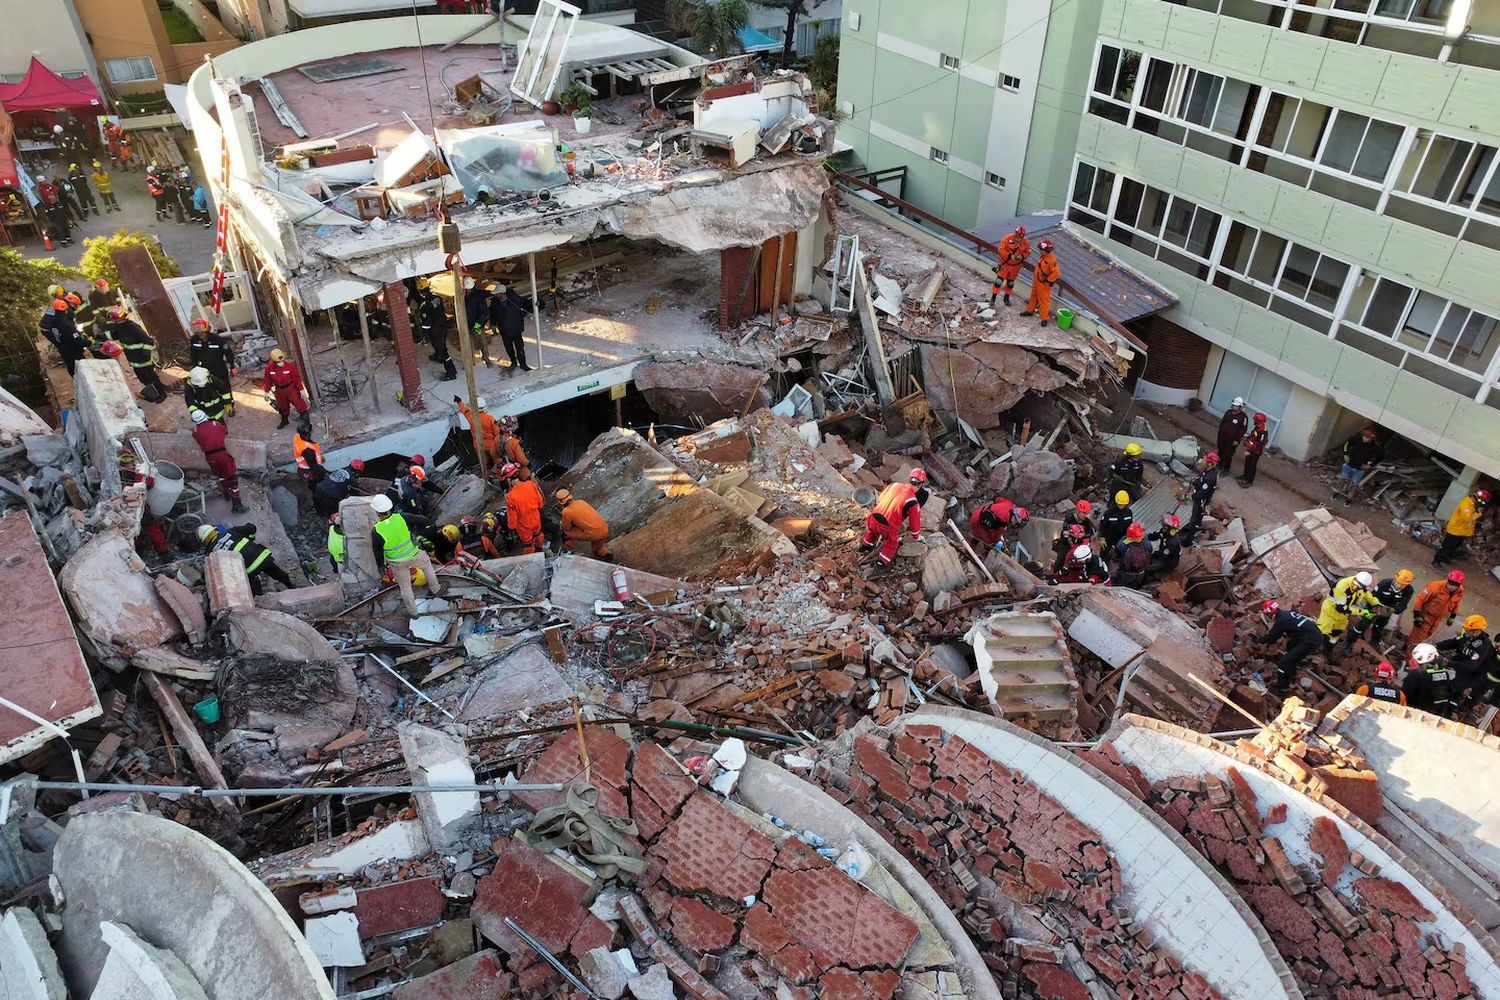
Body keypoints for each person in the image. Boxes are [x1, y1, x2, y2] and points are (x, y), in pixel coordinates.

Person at [369, 494, 444, 615]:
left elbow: (377, 552)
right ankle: (436, 589)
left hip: (397, 562)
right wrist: (418, 533)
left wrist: (381, 567)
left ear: (377, 512)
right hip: (414, 554)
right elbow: (425, 520)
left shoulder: (376, 530)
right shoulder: (403, 517)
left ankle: (413, 612)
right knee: (427, 566)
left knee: (405, 587)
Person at [198, 523, 296, 595]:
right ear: (215, 530)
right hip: (261, 557)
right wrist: (250, 539)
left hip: (248, 570)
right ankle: (292, 587)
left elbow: (211, 572)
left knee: (251, 583)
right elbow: (252, 527)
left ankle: (261, 599)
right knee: (276, 572)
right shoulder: (230, 531)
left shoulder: (211, 553)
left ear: (204, 541)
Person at [859, 469, 929, 569]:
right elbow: (914, 523)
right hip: (888, 525)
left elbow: (880, 498)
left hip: (874, 516)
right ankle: (881, 563)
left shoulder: (894, 485)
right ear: (921, 484)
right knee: (891, 543)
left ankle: (865, 546)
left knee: (872, 531)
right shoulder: (913, 501)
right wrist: (916, 536)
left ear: (909, 479)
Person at [1252, 599, 1324, 695]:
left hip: (1310, 640)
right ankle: (1293, 667)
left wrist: (1258, 640)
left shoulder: (1281, 620)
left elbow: (1272, 637)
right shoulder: (1285, 614)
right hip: (1313, 635)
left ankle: (1282, 689)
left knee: (1284, 663)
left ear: (1269, 614)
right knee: (1290, 646)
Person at [190, 410, 246, 512]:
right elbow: (224, 431)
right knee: (232, 477)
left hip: (210, 458)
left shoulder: (195, 431)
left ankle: (226, 493)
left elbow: (199, 439)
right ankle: (236, 504)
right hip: (221, 454)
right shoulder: (216, 424)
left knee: (221, 476)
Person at [107, 306, 165, 402]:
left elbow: (148, 340)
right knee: (143, 379)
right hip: (134, 360)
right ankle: (153, 394)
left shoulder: (133, 327)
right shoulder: (120, 327)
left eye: (114, 320)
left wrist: (146, 351)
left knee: (151, 378)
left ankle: (161, 394)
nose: (114, 322)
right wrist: (102, 336)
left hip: (143, 359)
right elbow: (114, 334)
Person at [1437, 615, 1495, 710]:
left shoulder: (1483, 646)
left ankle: (1449, 710)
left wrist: (1449, 663)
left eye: (1467, 629)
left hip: (1475, 674)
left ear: (1476, 631)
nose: (1465, 630)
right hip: (1462, 665)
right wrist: (1437, 646)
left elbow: (1471, 666)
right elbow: (1455, 642)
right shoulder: (1468, 636)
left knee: (1454, 687)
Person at [119, 451, 169, 556]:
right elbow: (149, 483)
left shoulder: (119, 474)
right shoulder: (136, 474)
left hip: (126, 510)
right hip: (138, 507)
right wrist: (153, 474)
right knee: (152, 528)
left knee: (135, 532)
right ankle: (164, 553)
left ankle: (138, 552)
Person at [1316, 571, 1378, 650]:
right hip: (1330, 612)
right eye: (1355, 585)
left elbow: (1368, 596)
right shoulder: (1341, 586)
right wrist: (1364, 612)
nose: (1355, 588)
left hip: (1342, 616)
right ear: (1354, 579)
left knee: (1336, 632)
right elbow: (1342, 609)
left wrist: (1378, 604)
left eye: (1358, 587)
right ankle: (1312, 648)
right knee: (1322, 631)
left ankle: (1328, 649)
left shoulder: (1361, 588)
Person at [1408, 571, 1466, 649]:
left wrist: (1452, 615)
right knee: (1417, 638)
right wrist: (1417, 615)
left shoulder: (1460, 591)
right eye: (1450, 582)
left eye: (1455, 585)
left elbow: (1456, 602)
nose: (1451, 586)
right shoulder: (1435, 586)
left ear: (1459, 585)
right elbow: (1420, 599)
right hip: (1426, 615)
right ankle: (1409, 656)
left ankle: (1406, 647)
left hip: (1438, 619)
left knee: (1428, 635)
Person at [1434, 487, 1490, 566]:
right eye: (1483, 502)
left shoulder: (1471, 504)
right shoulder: (1466, 505)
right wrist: (1478, 512)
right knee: (1446, 547)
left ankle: (1445, 557)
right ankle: (1436, 561)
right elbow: (1468, 518)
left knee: (1454, 547)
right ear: (1478, 500)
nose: (1482, 504)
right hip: (1455, 530)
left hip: (1461, 531)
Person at [1361, 569, 1416, 647]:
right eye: (1398, 583)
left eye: (1403, 585)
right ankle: (1359, 633)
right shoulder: (1384, 583)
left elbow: (1403, 604)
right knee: (1366, 620)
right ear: (1395, 579)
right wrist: (1374, 608)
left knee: (1380, 626)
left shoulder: (1409, 590)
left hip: (1389, 609)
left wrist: (1392, 610)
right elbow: (1373, 595)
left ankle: (1374, 641)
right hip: (1376, 604)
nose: (1399, 586)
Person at [556, 489, 611, 559]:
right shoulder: (580, 502)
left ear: (560, 502)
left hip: (593, 534)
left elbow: (567, 528)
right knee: (597, 548)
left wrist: (562, 523)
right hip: (604, 529)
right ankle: (605, 555)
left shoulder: (566, 511)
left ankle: (568, 550)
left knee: (566, 532)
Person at [1402, 643, 1456, 716]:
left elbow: (1404, 695)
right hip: (1436, 713)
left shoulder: (1416, 674)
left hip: (1414, 712)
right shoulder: (1444, 673)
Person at [491, 282, 533, 374]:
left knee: (519, 348)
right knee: (509, 347)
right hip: (504, 330)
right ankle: (513, 362)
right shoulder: (495, 302)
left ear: (502, 293)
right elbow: (493, 313)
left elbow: (524, 311)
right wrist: (493, 324)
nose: (497, 296)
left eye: (497, 294)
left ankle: (523, 364)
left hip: (516, 329)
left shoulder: (515, 299)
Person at [417, 285, 457, 381]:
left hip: (435, 330)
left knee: (442, 350)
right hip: (443, 326)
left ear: (421, 292)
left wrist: (424, 333)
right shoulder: (437, 297)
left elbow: (426, 322)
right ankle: (437, 356)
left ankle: (451, 372)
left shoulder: (425, 305)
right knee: (438, 345)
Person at [261, 348, 309, 428]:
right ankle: (285, 421)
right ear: (274, 360)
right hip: (279, 391)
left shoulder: (289, 367)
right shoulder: (269, 369)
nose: (281, 363)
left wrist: (302, 390)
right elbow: (268, 381)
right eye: (278, 362)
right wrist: (266, 392)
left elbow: (297, 379)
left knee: (300, 405)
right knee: (283, 407)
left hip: (291, 389)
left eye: (282, 361)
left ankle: (306, 423)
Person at [39, 297, 87, 375]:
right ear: (72, 304)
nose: (75, 308)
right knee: (68, 348)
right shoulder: (66, 314)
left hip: (47, 329)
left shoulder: (56, 306)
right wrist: (80, 338)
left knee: (63, 347)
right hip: (51, 331)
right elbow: (70, 329)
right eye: (75, 306)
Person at [1181, 452, 1220, 546]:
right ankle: (1190, 528)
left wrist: (1188, 497)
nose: (1203, 461)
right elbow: (1201, 480)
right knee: (1194, 516)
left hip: (1201, 502)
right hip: (1199, 499)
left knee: (1196, 519)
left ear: (1211, 463)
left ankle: (1189, 540)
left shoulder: (1210, 478)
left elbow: (1201, 494)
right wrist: (1195, 482)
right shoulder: (1207, 471)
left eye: (1206, 461)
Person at [506, 466, 546, 554]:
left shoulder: (510, 496)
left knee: (527, 544)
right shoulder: (531, 484)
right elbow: (540, 503)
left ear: (509, 479)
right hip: (535, 518)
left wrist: (511, 528)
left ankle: (532, 560)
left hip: (524, 524)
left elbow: (512, 517)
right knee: (538, 535)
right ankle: (540, 551)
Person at [1020, 239, 1060, 326]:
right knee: (1033, 296)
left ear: (1045, 250)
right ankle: (1030, 311)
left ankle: (1044, 318)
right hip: (1037, 281)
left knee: (1044, 301)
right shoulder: (1043, 257)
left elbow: (1056, 273)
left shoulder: (1051, 260)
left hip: (1044, 284)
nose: (1040, 251)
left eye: (1041, 250)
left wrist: (1048, 280)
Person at [1337, 427, 1383, 501]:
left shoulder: (1374, 447)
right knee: (1342, 479)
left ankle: (1349, 498)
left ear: (1372, 438)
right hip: (1349, 464)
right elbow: (1346, 444)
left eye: (1367, 438)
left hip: (1359, 469)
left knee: (1355, 485)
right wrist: (1345, 454)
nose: (1364, 438)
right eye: (1364, 436)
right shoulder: (1357, 439)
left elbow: (1380, 457)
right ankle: (1337, 492)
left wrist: (1370, 465)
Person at [455, 395, 502, 468]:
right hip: (491, 443)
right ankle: (499, 475)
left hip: (478, 443)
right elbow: (497, 433)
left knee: (484, 462)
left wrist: (459, 402)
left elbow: (465, 411)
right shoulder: (490, 418)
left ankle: (487, 474)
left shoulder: (471, 417)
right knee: (498, 462)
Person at [989, 225, 1030, 307]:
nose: (1018, 239)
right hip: (1005, 265)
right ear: (1015, 234)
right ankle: (993, 298)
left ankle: (1006, 298)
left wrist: (1021, 256)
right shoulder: (1007, 239)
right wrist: (1009, 255)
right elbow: (1000, 249)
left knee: (1010, 283)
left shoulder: (1025, 242)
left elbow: (1027, 252)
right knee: (998, 282)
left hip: (1015, 266)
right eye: (1017, 237)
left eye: (1020, 238)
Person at [1113, 523, 1152, 589]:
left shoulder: (1123, 544)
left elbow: (1118, 551)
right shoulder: (1146, 543)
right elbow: (1150, 551)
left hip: (1125, 573)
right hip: (1140, 573)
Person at [463, 277, 492, 364]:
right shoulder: (463, 295)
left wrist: (478, 325)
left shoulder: (478, 296)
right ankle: (471, 361)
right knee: (468, 344)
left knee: (482, 342)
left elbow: (483, 312)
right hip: (466, 324)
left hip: (476, 325)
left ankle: (486, 358)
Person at [1099, 490, 1134, 555]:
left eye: (1123, 504)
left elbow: (1130, 525)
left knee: (1120, 552)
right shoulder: (1109, 512)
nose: (1121, 506)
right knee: (1104, 551)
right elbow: (1103, 525)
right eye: (1120, 504)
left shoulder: (1129, 512)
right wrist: (1102, 537)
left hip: (1121, 537)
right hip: (1109, 536)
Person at [1238, 413, 1269, 487]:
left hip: (1255, 451)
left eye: (1255, 420)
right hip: (1251, 448)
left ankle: (1249, 481)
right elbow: (1253, 437)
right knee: (1247, 463)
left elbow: (1260, 443)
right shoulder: (1258, 427)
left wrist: (1250, 451)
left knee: (1252, 465)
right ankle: (1245, 476)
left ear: (1258, 421)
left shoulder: (1263, 430)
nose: (1254, 421)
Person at [294, 419, 326, 484]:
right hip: (309, 469)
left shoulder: (297, 437)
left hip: (304, 466)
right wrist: (322, 473)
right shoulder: (308, 450)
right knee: (315, 483)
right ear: (309, 433)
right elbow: (314, 466)